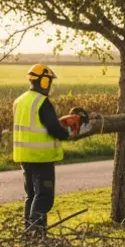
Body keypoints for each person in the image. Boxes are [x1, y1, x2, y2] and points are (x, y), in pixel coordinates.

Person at [13, 64, 75, 235]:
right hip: (41, 157)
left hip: (24, 157)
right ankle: (37, 234)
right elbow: (53, 128)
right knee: (44, 196)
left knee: (32, 196)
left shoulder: (20, 100)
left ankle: (29, 232)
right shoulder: (42, 102)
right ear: (44, 81)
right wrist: (67, 133)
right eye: (50, 81)